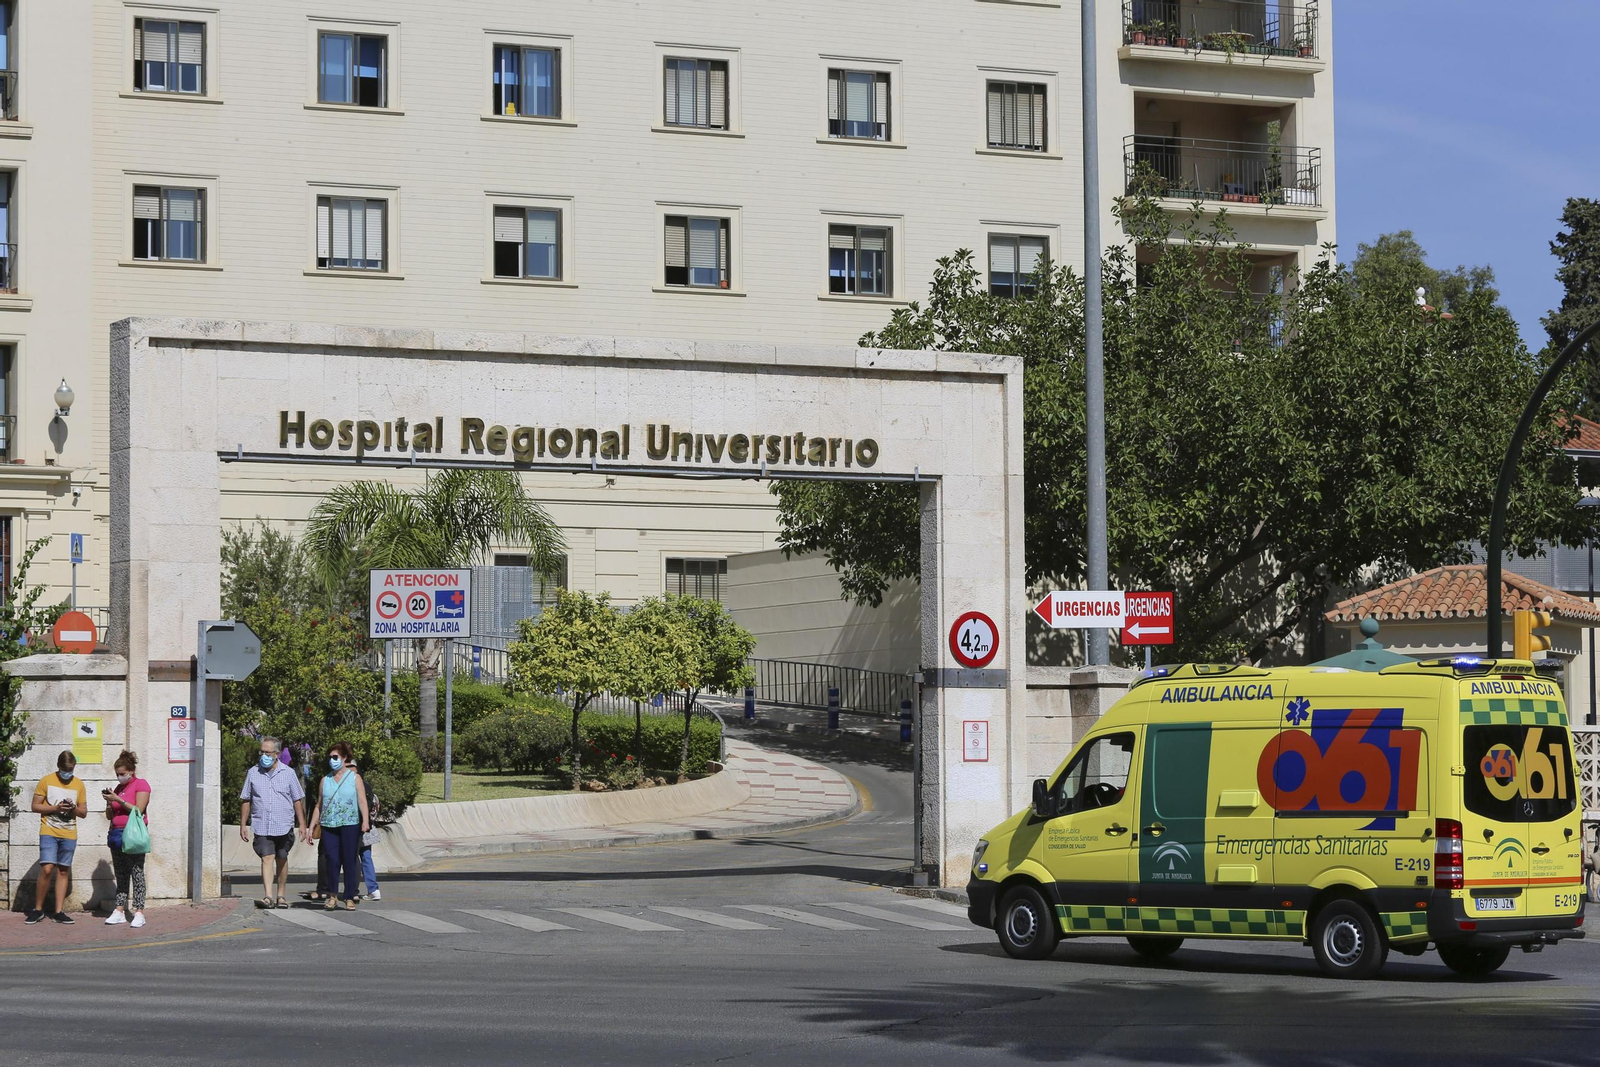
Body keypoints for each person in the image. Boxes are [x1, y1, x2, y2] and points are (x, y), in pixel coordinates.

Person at [238, 736, 308, 909]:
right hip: (262, 825)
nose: (263, 755)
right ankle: (268, 896)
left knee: (282, 858)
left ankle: (281, 895)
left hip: (283, 825)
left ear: (276, 754)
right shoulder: (253, 772)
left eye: (267, 752)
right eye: (261, 751)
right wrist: (243, 824)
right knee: (267, 857)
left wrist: (302, 825)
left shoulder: (288, 773)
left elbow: (297, 800)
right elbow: (246, 799)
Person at [27, 751, 88, 925]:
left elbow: (83, 813)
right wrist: (55, 808)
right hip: (49, 831)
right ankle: (38, 909)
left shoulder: (79, 785)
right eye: (64, 770)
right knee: (47, 868)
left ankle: (58, 912)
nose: (67, 774)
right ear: (59, 767)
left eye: (70, 770)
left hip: (69, 833)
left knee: (63, 870)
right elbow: (35, 806)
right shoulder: (46, 781)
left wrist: (72, 809)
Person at [309, 741, 369, 910]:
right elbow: (319, 806)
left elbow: (362, 801)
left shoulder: (355, 778)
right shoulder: (325, 780)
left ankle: (349, 896)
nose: (332, 760)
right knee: (332, 860)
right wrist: (311, 826)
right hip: (329, 825)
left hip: (350, 824)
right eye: (330, 757)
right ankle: (332, 895)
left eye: (335, 757)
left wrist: (365, 821)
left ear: (344, 758)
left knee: (349, 860)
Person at [102, 750, 152, 928]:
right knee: (121, 874)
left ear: (131, 771)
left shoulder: (141, 784)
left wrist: (119, 800)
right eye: (117, 774)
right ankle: (119, 910)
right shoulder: (118, 789)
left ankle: (139, 911)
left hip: (133, 835)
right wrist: (109, 803)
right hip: (117, 834)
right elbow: (110, 815)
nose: (119, 777)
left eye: (122, 774)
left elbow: (138, 809)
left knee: (136, 873)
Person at [347, 755, 381, 901]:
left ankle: (353, 890)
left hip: (354, 827)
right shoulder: (366, 784)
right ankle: (373, 889)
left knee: (353, 859)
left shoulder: (350, 784)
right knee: (366, 858)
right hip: (368, 827)